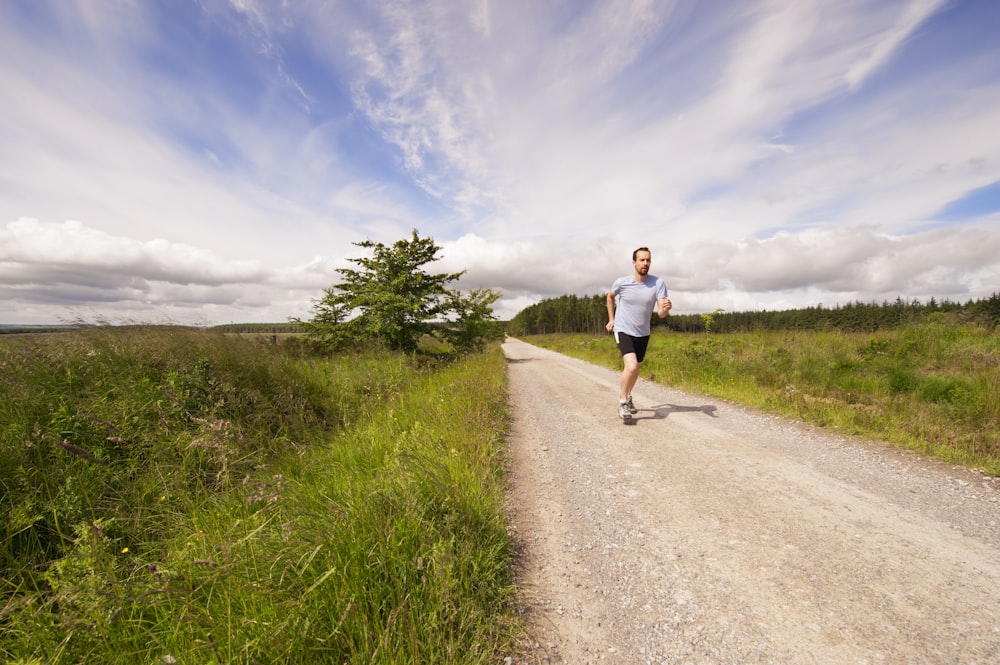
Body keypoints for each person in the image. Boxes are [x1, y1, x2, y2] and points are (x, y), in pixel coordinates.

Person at [606, 247, 672, 420]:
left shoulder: (658, 283)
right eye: (642, 260)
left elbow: (660, 313)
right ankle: (622, 403)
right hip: (623, 329)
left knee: (635, 370)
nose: (645, 263)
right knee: (632, 366)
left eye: (648, 260)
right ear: (634, 262)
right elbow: (610, 297)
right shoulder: (622, 282)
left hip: (643, 332)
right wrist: (612, 319)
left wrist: (665, 309)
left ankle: (628, 397)